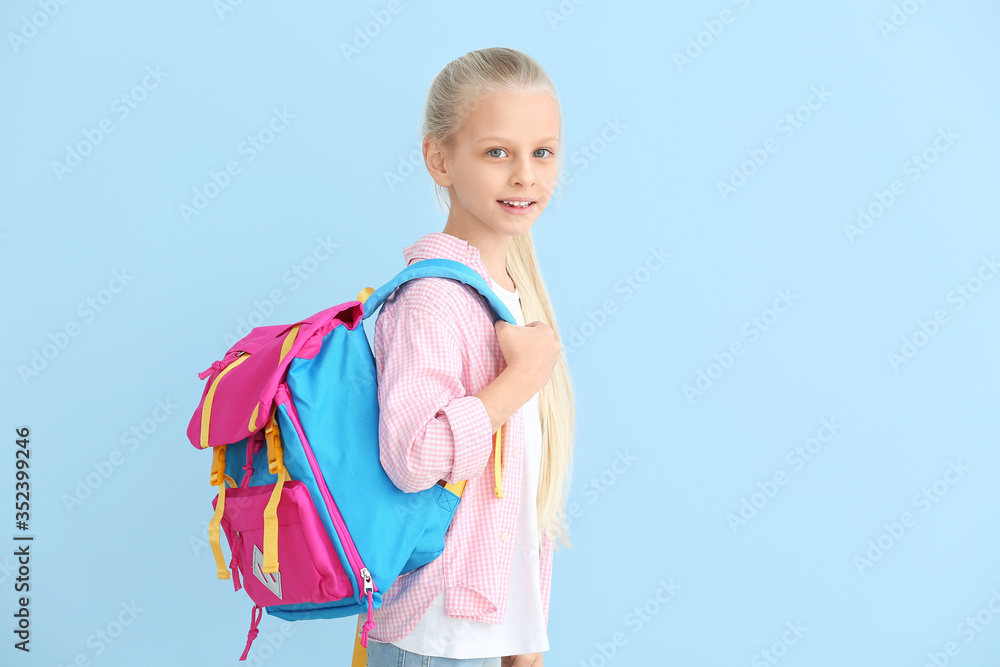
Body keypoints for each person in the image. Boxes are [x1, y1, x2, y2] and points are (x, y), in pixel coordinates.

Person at [364, 47, 577, 667]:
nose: (525, 177)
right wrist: (522, 379)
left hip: (485, 641)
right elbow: (412, 457)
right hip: (433, 640)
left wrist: (525, 640)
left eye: (542, 152)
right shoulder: (433, 300)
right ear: (439, 159)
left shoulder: (512, 301)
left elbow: (509, 494)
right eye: (496, 152)